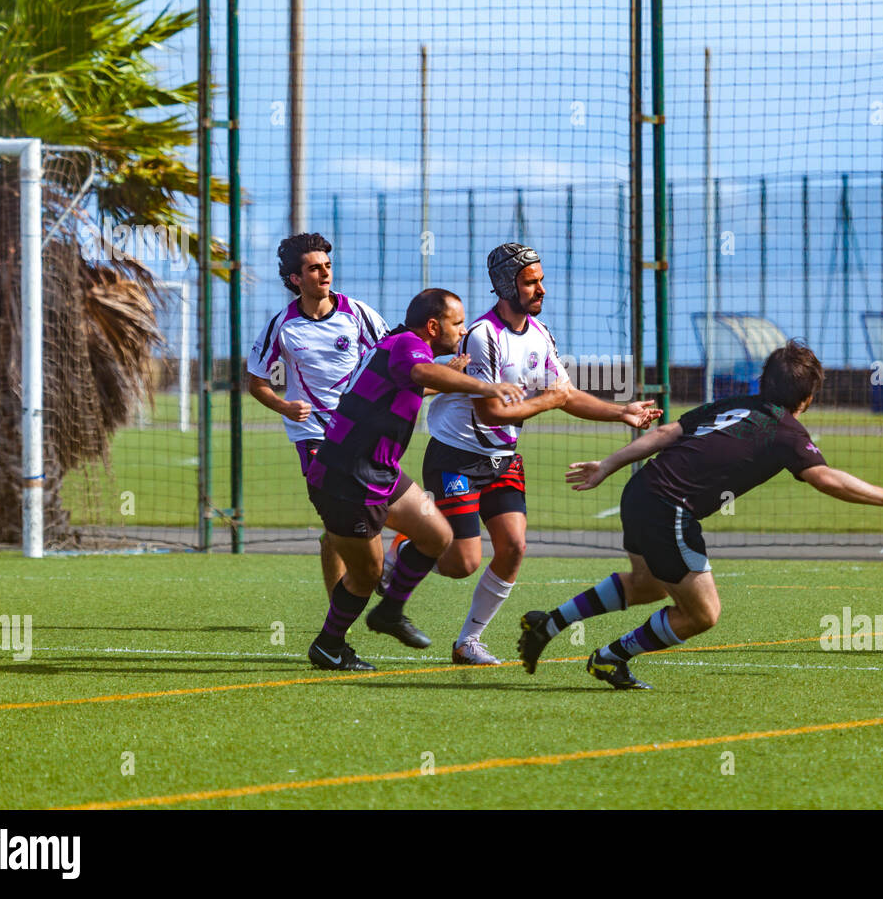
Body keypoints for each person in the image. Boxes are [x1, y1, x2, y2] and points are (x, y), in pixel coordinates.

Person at [516, 340, 883, 689]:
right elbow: (825, 478)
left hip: (641, 492)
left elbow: (665, 433)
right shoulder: (788, 432)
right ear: (807, 399)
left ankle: (548, 624)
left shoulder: (732, 404)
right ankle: (610, 658)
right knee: (703, 614)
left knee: (647, 585)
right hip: (668, 508)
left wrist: (609, 465)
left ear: (762, 381)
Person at [374, 243, 660, 666]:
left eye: (540, 280)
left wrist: (622, 412)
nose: (540, 288)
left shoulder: (541, 336)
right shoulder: (482, 335)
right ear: (507, 285)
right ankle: (401, 550)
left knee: (514, 547)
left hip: (503, 459)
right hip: (456, 457)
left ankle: (467, 641)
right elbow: (491, 411)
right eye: (531, 282)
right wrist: (547, 401)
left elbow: (566, 395)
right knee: (462, 562)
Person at [304, 289, 524, 671]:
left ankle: (389, 612)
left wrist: (451, 375)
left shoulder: (399, 346)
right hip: (346, 478)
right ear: (433, 326)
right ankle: (329, 645)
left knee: (438, 535)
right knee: (366, 573)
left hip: (381, 473)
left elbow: (417, 383)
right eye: (457, 323)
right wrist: (488, 387)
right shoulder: (407, 343)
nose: (463, 330)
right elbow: (421, 373)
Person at [248, 233, 388, 598]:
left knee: (362, 518)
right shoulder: (283, 325)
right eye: (314, 268)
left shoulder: (358, 314)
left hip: (361, 432)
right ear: (296, 279)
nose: (324, 274)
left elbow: (391, 361)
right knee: (338, 519)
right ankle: (337, 610)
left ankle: (373, 571)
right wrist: (284, 406)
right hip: (312, 436)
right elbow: (257, 383)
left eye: (327, 266)